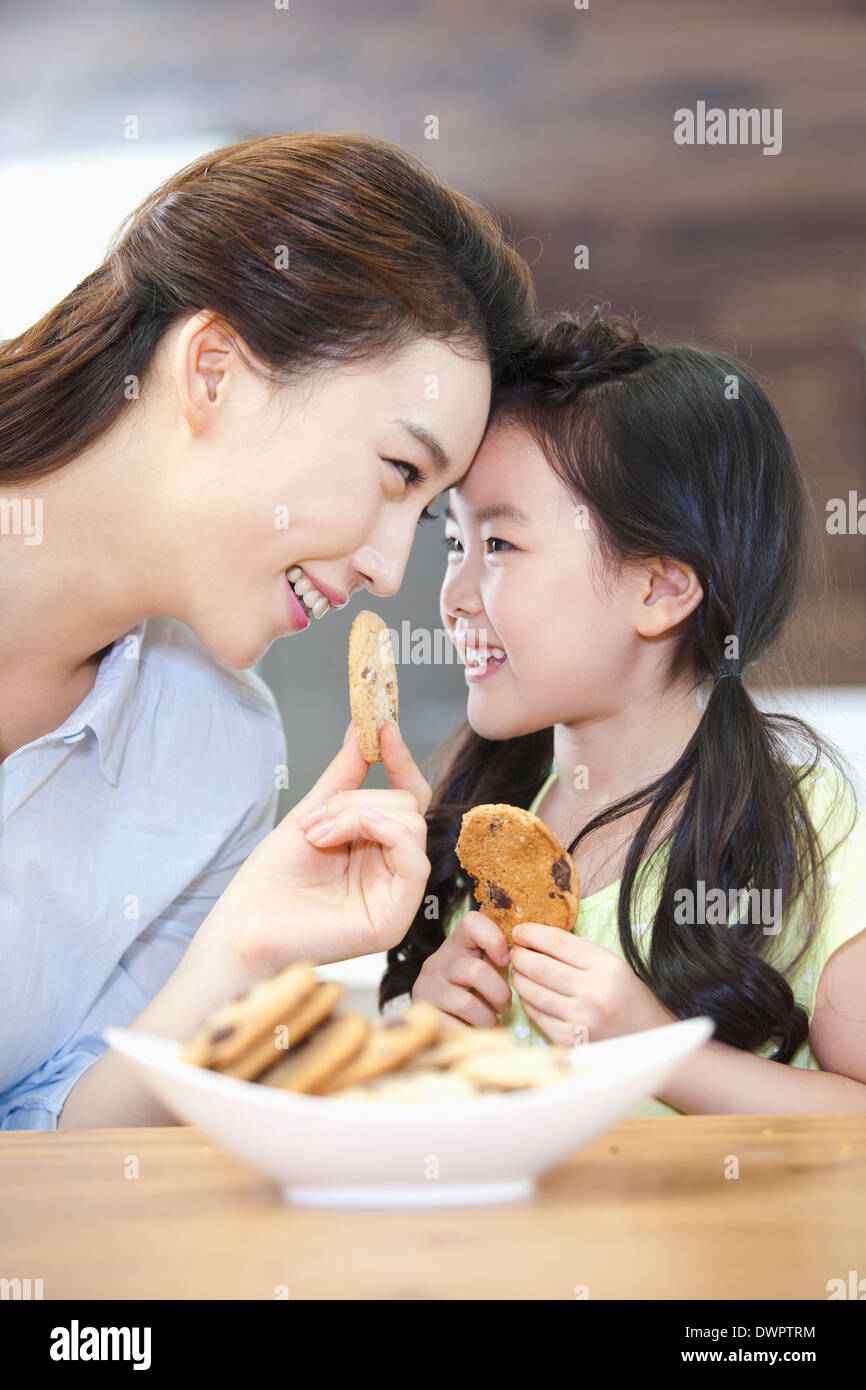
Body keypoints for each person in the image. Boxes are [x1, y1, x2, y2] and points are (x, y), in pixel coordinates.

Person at [0, 131, 539, 1129]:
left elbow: (55, 1146)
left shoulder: (219, 750)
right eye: (394, 471)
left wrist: (244, 946)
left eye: (422, 516)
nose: (386, 571)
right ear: (214, 370)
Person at [382, 308, 866, 1116]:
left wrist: (654, 1051)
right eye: (455, 545)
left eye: (498, 546)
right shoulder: (482, 811)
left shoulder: (798, 832)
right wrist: (422, 1037)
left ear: (660, 590)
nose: (453, 595)